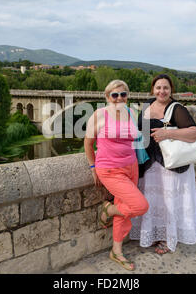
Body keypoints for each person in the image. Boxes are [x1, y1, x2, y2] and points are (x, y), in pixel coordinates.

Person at [130, 74, 196, 254]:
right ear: (153, 89)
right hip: (149, 165)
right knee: (154, 201)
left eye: (166, 88)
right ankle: (154, 234)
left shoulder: (177, 109)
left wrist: (167, 133)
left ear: (171, 90)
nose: (162, 91)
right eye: (158, 87)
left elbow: (193, 133)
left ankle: (168, 239)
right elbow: (138, 131)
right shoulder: (146, 105)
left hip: (171, 166)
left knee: (168, 203)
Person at [84, 79, 149, 271]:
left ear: (127, 97)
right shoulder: (99, 115)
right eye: (114, 95)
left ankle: (116, 252)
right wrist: (92, 167)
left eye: (123, 94)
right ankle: (108, 210)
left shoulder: (131, 112)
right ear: (107, 97)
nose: (119, 98)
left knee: (125, 208)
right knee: (140, 206)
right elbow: (88, 143)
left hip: (131, 167)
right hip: (110, 170)